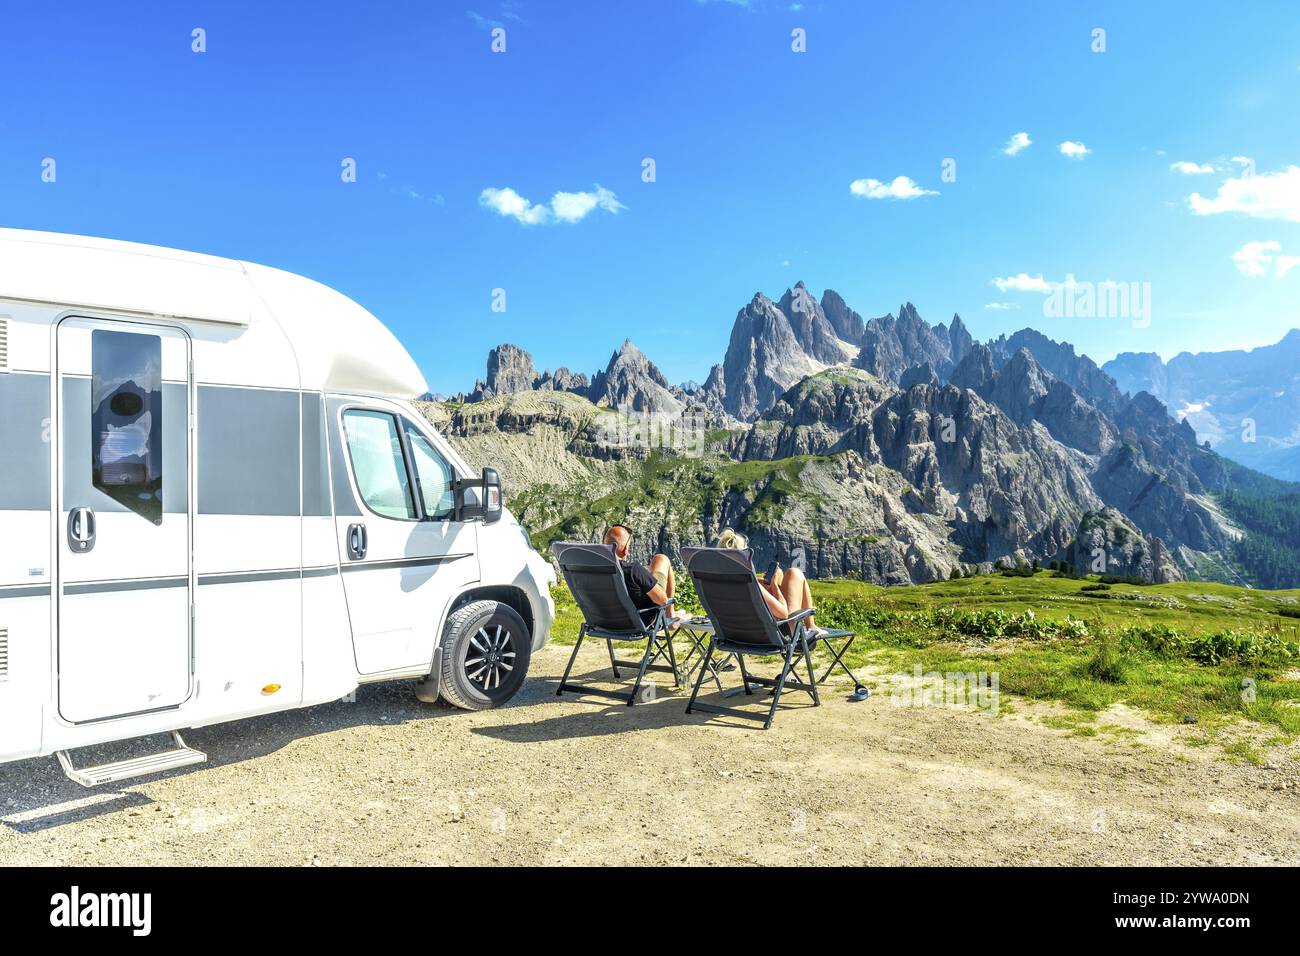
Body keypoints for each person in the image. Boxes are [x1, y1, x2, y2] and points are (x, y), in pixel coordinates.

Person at [715, 528, 821, 635]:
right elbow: (783, 613)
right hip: (776, 634)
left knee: (783, 578)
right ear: (744, 556)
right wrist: (774, 585)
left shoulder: (717, 582)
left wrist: (764, 585)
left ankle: (811, 626)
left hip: (737, 634)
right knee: (794, 573)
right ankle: (811, 627)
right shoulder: (749, 582)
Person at [603, 524, 676, 614]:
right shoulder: (632, 570)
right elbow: (663, 600)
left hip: (604, 622)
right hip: (641, 621)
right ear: (625, 549)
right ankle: (670, 614)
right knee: (661, 559)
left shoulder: (593, 570)